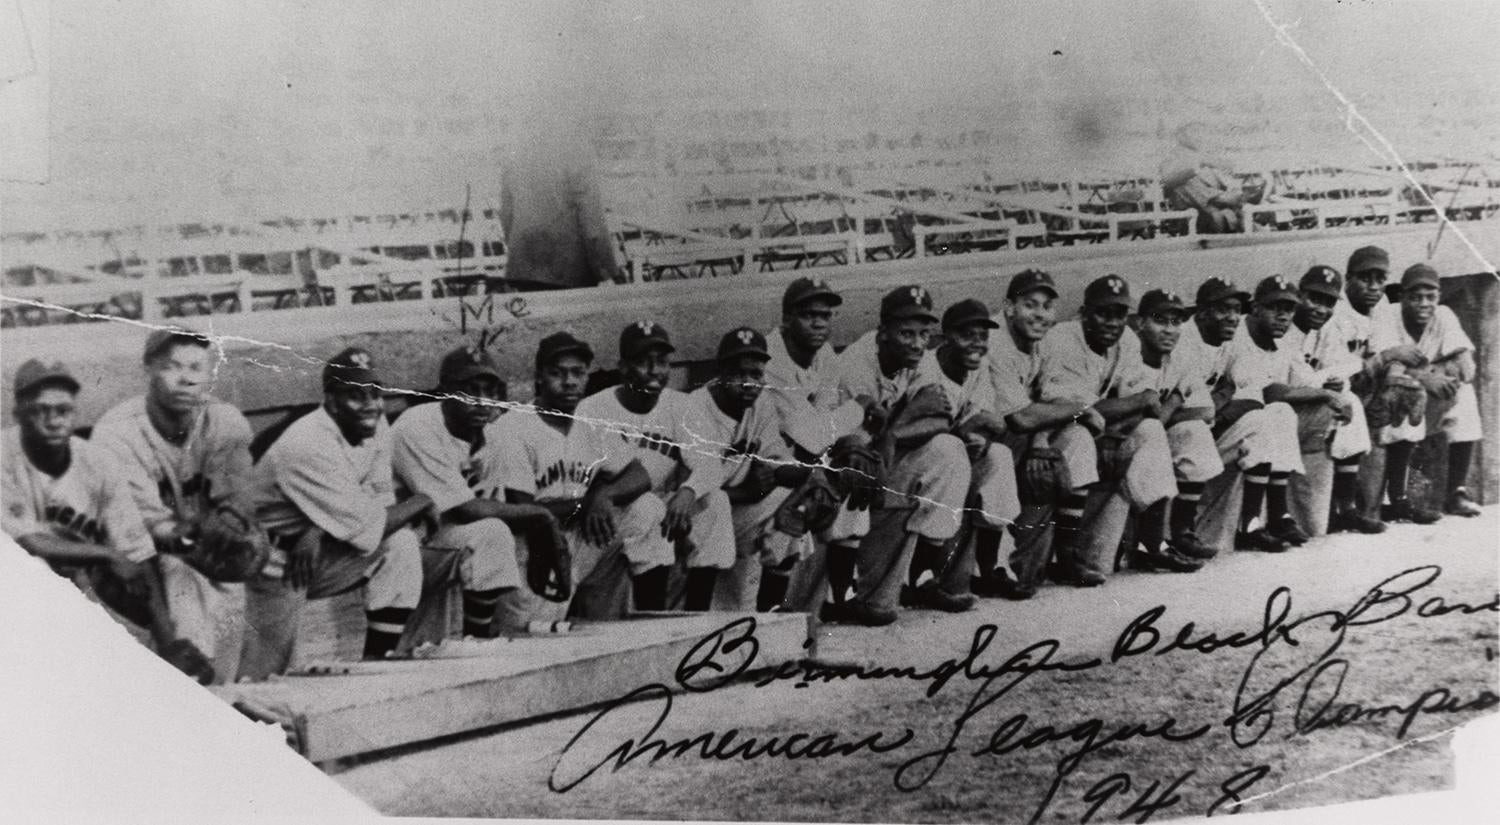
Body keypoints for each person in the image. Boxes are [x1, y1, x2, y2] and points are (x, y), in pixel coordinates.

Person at [241, 348, 507, 679]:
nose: (369, 405)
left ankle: (378, 662)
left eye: (374, 394)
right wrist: (423, 499)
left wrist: (317, 529)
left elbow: (377, 506)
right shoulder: (309, 442)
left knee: (400, 544)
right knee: (260, 681)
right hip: (268, 562)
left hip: (317, 550)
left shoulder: (375, 424)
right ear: (332, 401)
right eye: (355, 396)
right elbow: (374, 522)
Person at [2, 359, 211, 682]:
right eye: (41, 411)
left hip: (69, 579)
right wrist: (109, 555)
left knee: (172, 571)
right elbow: (29, 541)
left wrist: (170, 643)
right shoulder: (4, 457)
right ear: (18, 416)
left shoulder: (97, 462)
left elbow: (137, 552)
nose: (53, 421)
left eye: (62, 410)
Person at [90, 329, 256, 683]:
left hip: (191, 551)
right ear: (148, 369)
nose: (186, 378)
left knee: (220, 669)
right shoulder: (116, 434)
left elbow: (239, 498)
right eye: (172, 366)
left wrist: (231, 521)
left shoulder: (224, 421)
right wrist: (168, 638)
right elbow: (138, 540)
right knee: (182, 581)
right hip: (124, 565)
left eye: (197, 367)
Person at [492, 332, 675, 619]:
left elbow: (640, 474)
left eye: (578, 373)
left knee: (647, 506)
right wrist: (587, 503)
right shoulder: (513, 427)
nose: (569, 382)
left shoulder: (590, 421)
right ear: (539, 377)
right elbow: (522, 509)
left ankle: (649, 619)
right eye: (558, 373)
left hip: (583, 533)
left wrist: (604, 495)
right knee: (533, 640)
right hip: (534, 546)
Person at [389, 344, 563, 635]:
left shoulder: (493, 437)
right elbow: (466, 509)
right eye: (471, 391)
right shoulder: (417, 427)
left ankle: (479, 640)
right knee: (409, 650)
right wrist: (543, 517)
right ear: (445, 392)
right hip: (397, 548)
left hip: (440, 540)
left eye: (490, 391)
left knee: (494, 532)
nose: (483, 402)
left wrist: (542, 526)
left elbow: (486, 514)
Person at [825, 284, 973, 625]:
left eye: (924, 334)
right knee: (858, 464)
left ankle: (921, 577)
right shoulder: (856, 365)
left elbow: (939, 417)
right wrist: (902, 422)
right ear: (883, 334)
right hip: (839, 461)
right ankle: (840, 593)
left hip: (887, 455)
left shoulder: (921, 361)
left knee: (950, 451)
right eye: (906, 333)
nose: (918, 343)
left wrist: (893, 432)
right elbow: (855, 441)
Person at [1035, 275, 1178, 586]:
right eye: (1103, 313)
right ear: (1084, 313)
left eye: (1119, 314)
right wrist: (1136, 401)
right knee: (1080, 436)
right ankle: (1067, 555)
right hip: (1050, 433)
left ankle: (1152, 543)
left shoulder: (1125, 340)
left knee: (1151, 429)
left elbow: (1147, 406)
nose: (1113, 322)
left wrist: (1126, 416)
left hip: (1104, 433)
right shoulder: (1062, 339)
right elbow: (1083, 411)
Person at [575, 322, 724, 610]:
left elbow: (711, 465)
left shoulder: (681, 406)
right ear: (623, 368)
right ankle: (652, 615)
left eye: (662, 362)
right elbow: (593, 477)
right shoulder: (594, 409)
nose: (655, 371)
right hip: (611, 514)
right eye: (643, 362)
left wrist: (688, 492)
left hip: (664, 510)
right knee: (648, 506)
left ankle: (699, 617)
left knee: (716, 503)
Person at [675, 328, 816, 612]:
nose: (750, 383)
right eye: (740, 374)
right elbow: (702, 482)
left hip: (732, 510)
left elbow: (776, 460)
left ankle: (772, 614)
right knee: (715, 504)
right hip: (686, 517)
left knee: (791, 508)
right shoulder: (696, 408)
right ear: (721, 372)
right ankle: (696, 620)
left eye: (757, 374)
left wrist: (815, 474)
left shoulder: (760, 403)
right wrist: (748, 490)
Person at [759, 277, 869, 611]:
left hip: (800, 453)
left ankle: (841, 594)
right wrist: (860, 406)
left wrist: (844, 444)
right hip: (762, 459)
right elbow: (813, 434)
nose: (820, 322)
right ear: (787, 318)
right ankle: (771, 607)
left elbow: (823, 424)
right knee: (792, 503)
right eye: (808, 314)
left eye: (826, 314)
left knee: (856, 466)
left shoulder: (823, 354)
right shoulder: (771, 360)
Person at [907, 298, 1024, 602]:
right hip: (915, 460)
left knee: (998, 454)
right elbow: (925, 429)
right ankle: (920, 576)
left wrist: (979, 434)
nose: (977, 344)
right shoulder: (927, 369)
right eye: (967, 335)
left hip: (950, 453)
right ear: (945, 337)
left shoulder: (978, 367)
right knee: (949, 448)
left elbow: (982, 418)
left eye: (983, 336)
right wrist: (973, 428)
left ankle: (990, 569)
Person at [1222, 276, 1348, 547]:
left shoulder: (1283, 340)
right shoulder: (1239, 336)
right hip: (1224, 421)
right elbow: (1268, 391)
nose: (1283, 316)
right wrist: (1325, 393)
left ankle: (1276, 515)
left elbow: (1303, 381)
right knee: (1275, 412)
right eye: (1274, 307)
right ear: (1255, 308)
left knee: (1283, 413)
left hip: (1253, 425)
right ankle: (1251, 523)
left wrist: (1334, 390)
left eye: (1289, 309)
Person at [1369, 263, 1483, 521]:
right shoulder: (1387, 314)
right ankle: (1395, 497)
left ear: (1438, 297)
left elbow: (1467, 370)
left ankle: (1456, 492)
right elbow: (1386, 372)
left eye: (1430, 297)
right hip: (1383, 406)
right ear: (1403, 297)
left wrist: (1432, 373)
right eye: (1416, 297)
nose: (1424, 303)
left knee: (1464, 395)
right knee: (1406, 391)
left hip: (1425, 403)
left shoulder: (1443, 315)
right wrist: (1425, 377)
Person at [1120, 288, 1224, 568]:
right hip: (1116, 442)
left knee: (1194, 431)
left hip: (1148, 435)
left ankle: (1181, 532)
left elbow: (1205, 410)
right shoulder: (1129, 354)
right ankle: (1151, 545)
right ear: (1141, 323)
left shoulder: (1180, 357)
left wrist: (1173, 404)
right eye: (1160, 321)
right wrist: (1176, 400)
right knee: (1153, 431)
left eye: (1176, 322)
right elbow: (1137, 419)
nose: (1169, 330)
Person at [1283, 266, 1383, 534]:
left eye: (1328, 303)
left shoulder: (1324, 330)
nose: (1320, 309)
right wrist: (1325, 381)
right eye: (1314, 299)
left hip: (1311, 405)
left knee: (1349, 400)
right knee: (1338, 400)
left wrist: (1337, 382)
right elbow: (1293, 382)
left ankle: (1347, 509)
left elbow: (1346, 365)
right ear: (1299, 294)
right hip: (1285, 407)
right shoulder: (1284, 324)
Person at [1159, 123, 1257, 234]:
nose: (1200, 137)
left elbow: (1228, 173)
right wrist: (1221, 197)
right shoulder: (1175, 159)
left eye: (1201, 133)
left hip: (1222, 214)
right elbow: (1168, 179)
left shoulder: (1201, 157)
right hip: (1201, 218)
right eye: (1195, 132)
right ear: (1180, 137)